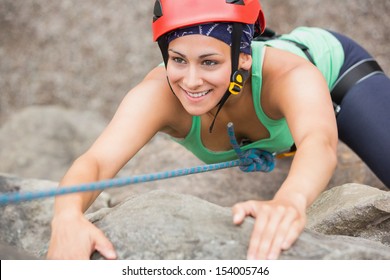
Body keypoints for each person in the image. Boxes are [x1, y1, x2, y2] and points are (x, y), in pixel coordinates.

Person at [47, 0, 389, 260]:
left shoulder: (291, 77)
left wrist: (289, 201)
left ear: (244, 57)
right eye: (178, 59)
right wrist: (66, 217)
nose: (190, 81)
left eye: (209, 62)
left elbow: (319, 143)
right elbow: (96, 162)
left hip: (338, 73)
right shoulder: (158, 95)